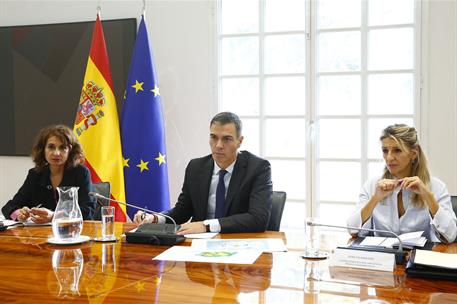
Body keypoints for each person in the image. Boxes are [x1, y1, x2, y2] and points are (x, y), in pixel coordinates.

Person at [134, 112, 273, 234]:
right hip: (198, 244)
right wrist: (155, 218)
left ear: (240, 141)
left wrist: (206, 225)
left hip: (238, 243)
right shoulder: (196, 167)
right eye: (214, 137)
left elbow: (258, 218)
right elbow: (182, 211)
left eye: (227, 139)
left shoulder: (258, 168)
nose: (218, 145)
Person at [347, 124, 457, 243]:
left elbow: (450, 235)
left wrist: (427, 196)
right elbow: (352, 230)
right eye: (385, 151)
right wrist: (375, 199)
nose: (389, 157)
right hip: (382, 257)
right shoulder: (372, 185)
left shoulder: (436, 187)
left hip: (418, 257)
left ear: (413, 154)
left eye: (397, 150)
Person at [2, 125, 96, 223]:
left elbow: (87, 211)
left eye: (62, 148)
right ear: (43, 150)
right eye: (51, 147)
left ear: (70, 151)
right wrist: (20, 214)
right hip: (41, 235)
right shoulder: (35, 174)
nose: (56, 153)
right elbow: (9, 207)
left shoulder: (81, 173)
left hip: (74, 233)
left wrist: (54, 216)